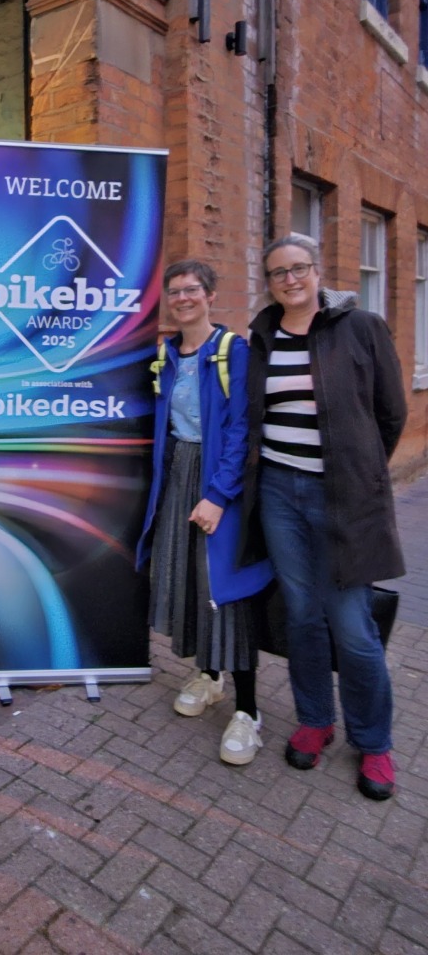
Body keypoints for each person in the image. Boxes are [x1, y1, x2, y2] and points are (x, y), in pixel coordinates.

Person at [243, 232, 406, 800]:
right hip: (279, 494)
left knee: (353, 627)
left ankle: (374, 742)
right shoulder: (262, 335)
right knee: (302, 617)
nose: (290, 280)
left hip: (342, 496)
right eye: (278, 273)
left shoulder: (360, 327)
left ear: (318, 272)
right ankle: (315, 720)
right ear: (269, 282)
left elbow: (391, 412)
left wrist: (358, 473)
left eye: (299, 269)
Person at [137, 260, 274, 765]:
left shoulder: (233, 351)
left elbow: (242, 428)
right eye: (174, 292)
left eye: (192, 289)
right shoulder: (168, 354)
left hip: (218, 482)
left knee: (225, 591)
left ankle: (250, 711)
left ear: (211, 294)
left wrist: (218, 495)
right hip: (178, 477)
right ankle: (210, 677)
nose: (182, 298)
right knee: (190, 582)